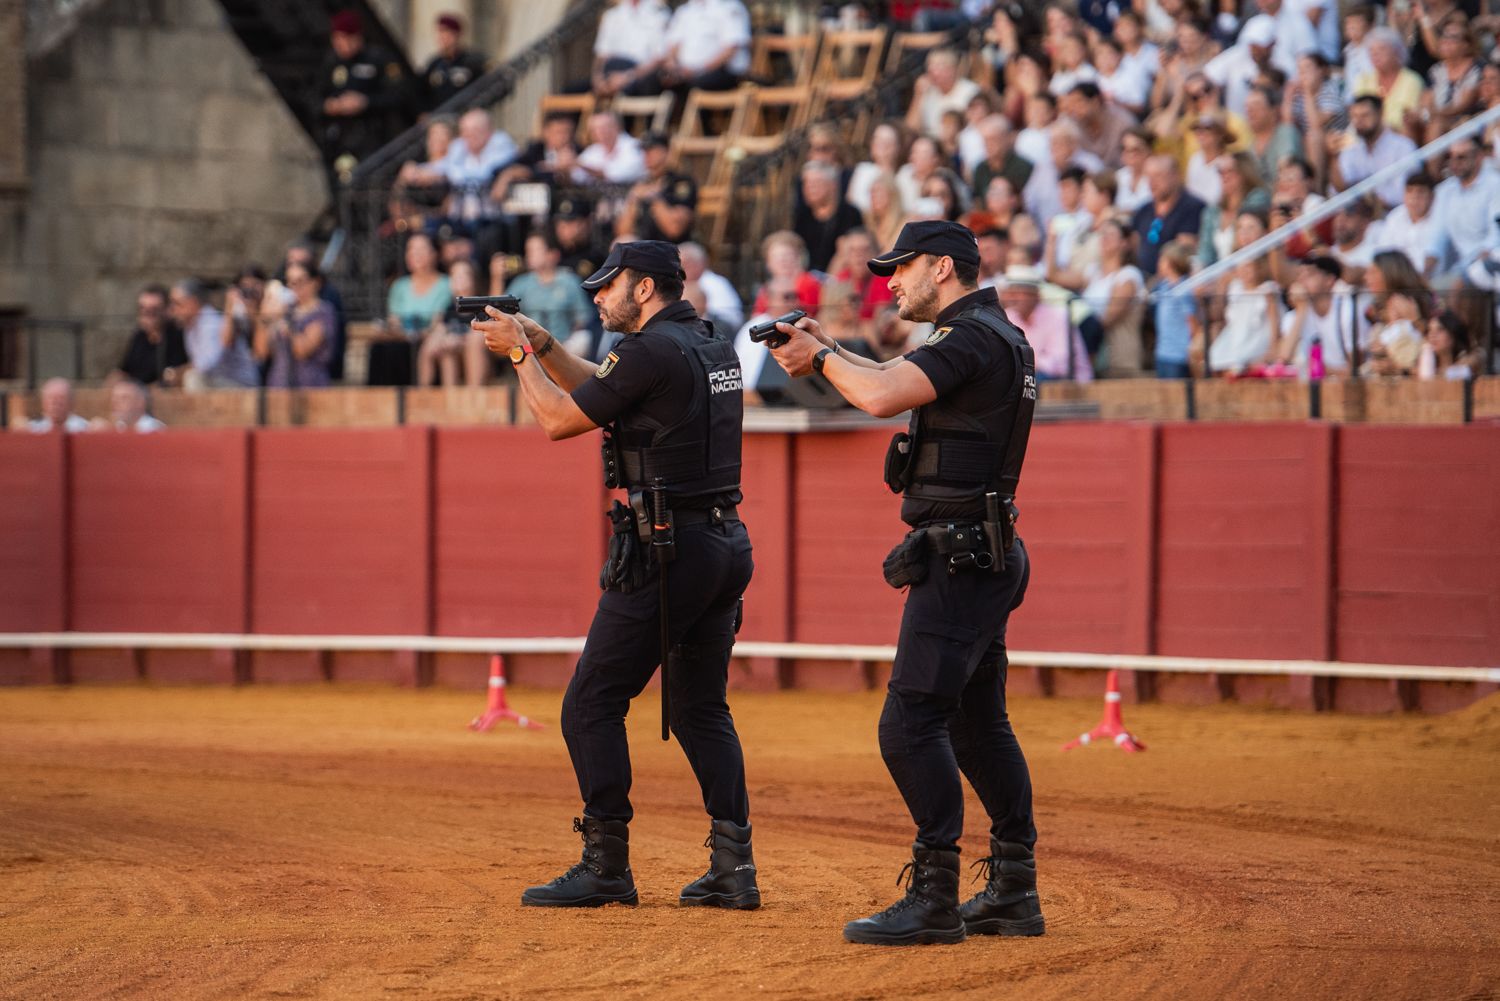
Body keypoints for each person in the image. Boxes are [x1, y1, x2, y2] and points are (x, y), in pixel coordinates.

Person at [762, 220, 1044, 947]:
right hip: (982, 550)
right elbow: (891, 379)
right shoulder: (993, 334)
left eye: (903, 267)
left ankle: (936, 893)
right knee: (976, 722)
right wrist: (825, 348)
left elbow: (884, 396)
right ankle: (1013, 887)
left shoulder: (970, 337)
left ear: (943, 267)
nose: (890, 281)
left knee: (909, 721)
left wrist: (823, 359)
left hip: (960, 556)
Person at [470, 240, 759, 912]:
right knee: (698, 707)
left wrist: (517, 356)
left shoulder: (650, 350)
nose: (597, 297)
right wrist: (543, 346)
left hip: (669, 547)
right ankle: (732, 866)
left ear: (646, 288)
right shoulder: (706, 341)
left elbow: (559, 419)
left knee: (590, 703)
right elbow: (607, 387)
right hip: (722, 540)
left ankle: (607, 864)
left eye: (609, 286)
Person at [318, 10, 408, 178]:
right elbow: (315, 97)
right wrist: (331, 105)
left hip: (373, 136)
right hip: (340, 137)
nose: (341, 44)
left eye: (345, 39)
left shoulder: (378, 59)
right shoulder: (331, 62)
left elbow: (398, 95)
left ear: (357, 38)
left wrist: (365, 102)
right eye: (337, 39)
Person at [1331, 95, 1418, 210]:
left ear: (1381, 113)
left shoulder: (1403, 146)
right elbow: (1337, 191)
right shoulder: (1351, 150)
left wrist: (1368, 197)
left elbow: (1402, 195)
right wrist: (1333, 156)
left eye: (1365, 115)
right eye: (1354, 116)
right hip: (1359, 217)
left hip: (1394, 216)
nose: (1359, 121)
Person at [256, 266, 336, 388]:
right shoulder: (285, 310)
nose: (295, 287)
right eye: (290, 282)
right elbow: (261, 352)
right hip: (279, 386)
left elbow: (302, 350)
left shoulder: (323, 312)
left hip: (310, 387)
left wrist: (282, 320)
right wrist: (264, 319)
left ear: (315, 282)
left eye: (300, 281)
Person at [170, 279, 257, 389]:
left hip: (242, 387)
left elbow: (206, 366)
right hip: (219, 383)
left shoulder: (211, 322)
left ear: (193, 302)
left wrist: (177, 373)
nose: (173, 309)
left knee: (192, 378)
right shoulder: (190, 326)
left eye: (177, 303)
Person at [1132, 156, 1206, 278]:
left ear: (1175, 175)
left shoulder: (1192, 207)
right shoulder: (1143, 210)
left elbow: (1183, 254)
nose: (1152, 183)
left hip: (1172, 281)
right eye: (1149, 177)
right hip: (1141, 279)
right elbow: (1134, 246)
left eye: (1158, 176)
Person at [115, 284, 187, 387]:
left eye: (154, 310)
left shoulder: (177, 336)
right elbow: (125, 370)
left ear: (167, 310)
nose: (147, 315)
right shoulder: (140, 336)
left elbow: (174, 376)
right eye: (142, 309)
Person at [907, 49, 982, 137]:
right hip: (932, 144)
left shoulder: (971, 91)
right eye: (930, 67)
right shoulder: (926, 91)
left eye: (939, 67)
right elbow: (911, 130)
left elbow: (976, 127)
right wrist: (918, 96)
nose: (934, 72)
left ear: (953, 69)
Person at [421, 13, 487, 110]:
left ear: (457, 34)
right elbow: (422, 91)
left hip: (466, 115)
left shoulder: (472, 61)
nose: (442, 37)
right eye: (440, 32)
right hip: (439, 117)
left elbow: (487, 87)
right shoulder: (435, 64)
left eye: (446, 32)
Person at [94, 379, 166, 433]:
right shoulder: (119, 426)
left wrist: (111, 432)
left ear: (140, 402)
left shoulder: (155, 429)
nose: (115, 403)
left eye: (124, 398)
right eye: (114, 398)